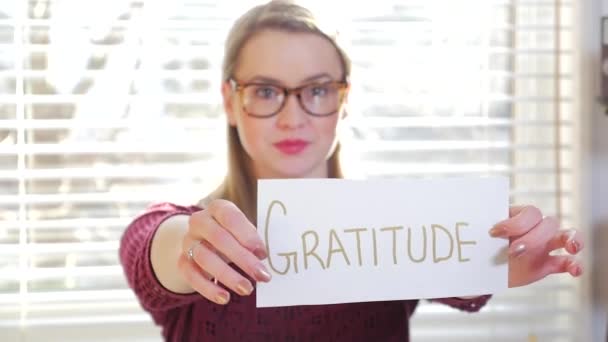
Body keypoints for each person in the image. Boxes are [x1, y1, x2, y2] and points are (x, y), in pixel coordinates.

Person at [119, 1, 585, 341]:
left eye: (317, 90)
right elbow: (154, 247)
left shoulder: (391, 232)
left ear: (344, 99)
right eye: (265, 91)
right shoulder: (185, 232)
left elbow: (465, 280)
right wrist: (188, 246)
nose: (292, 117)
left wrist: (497, 254)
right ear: (230, 101)